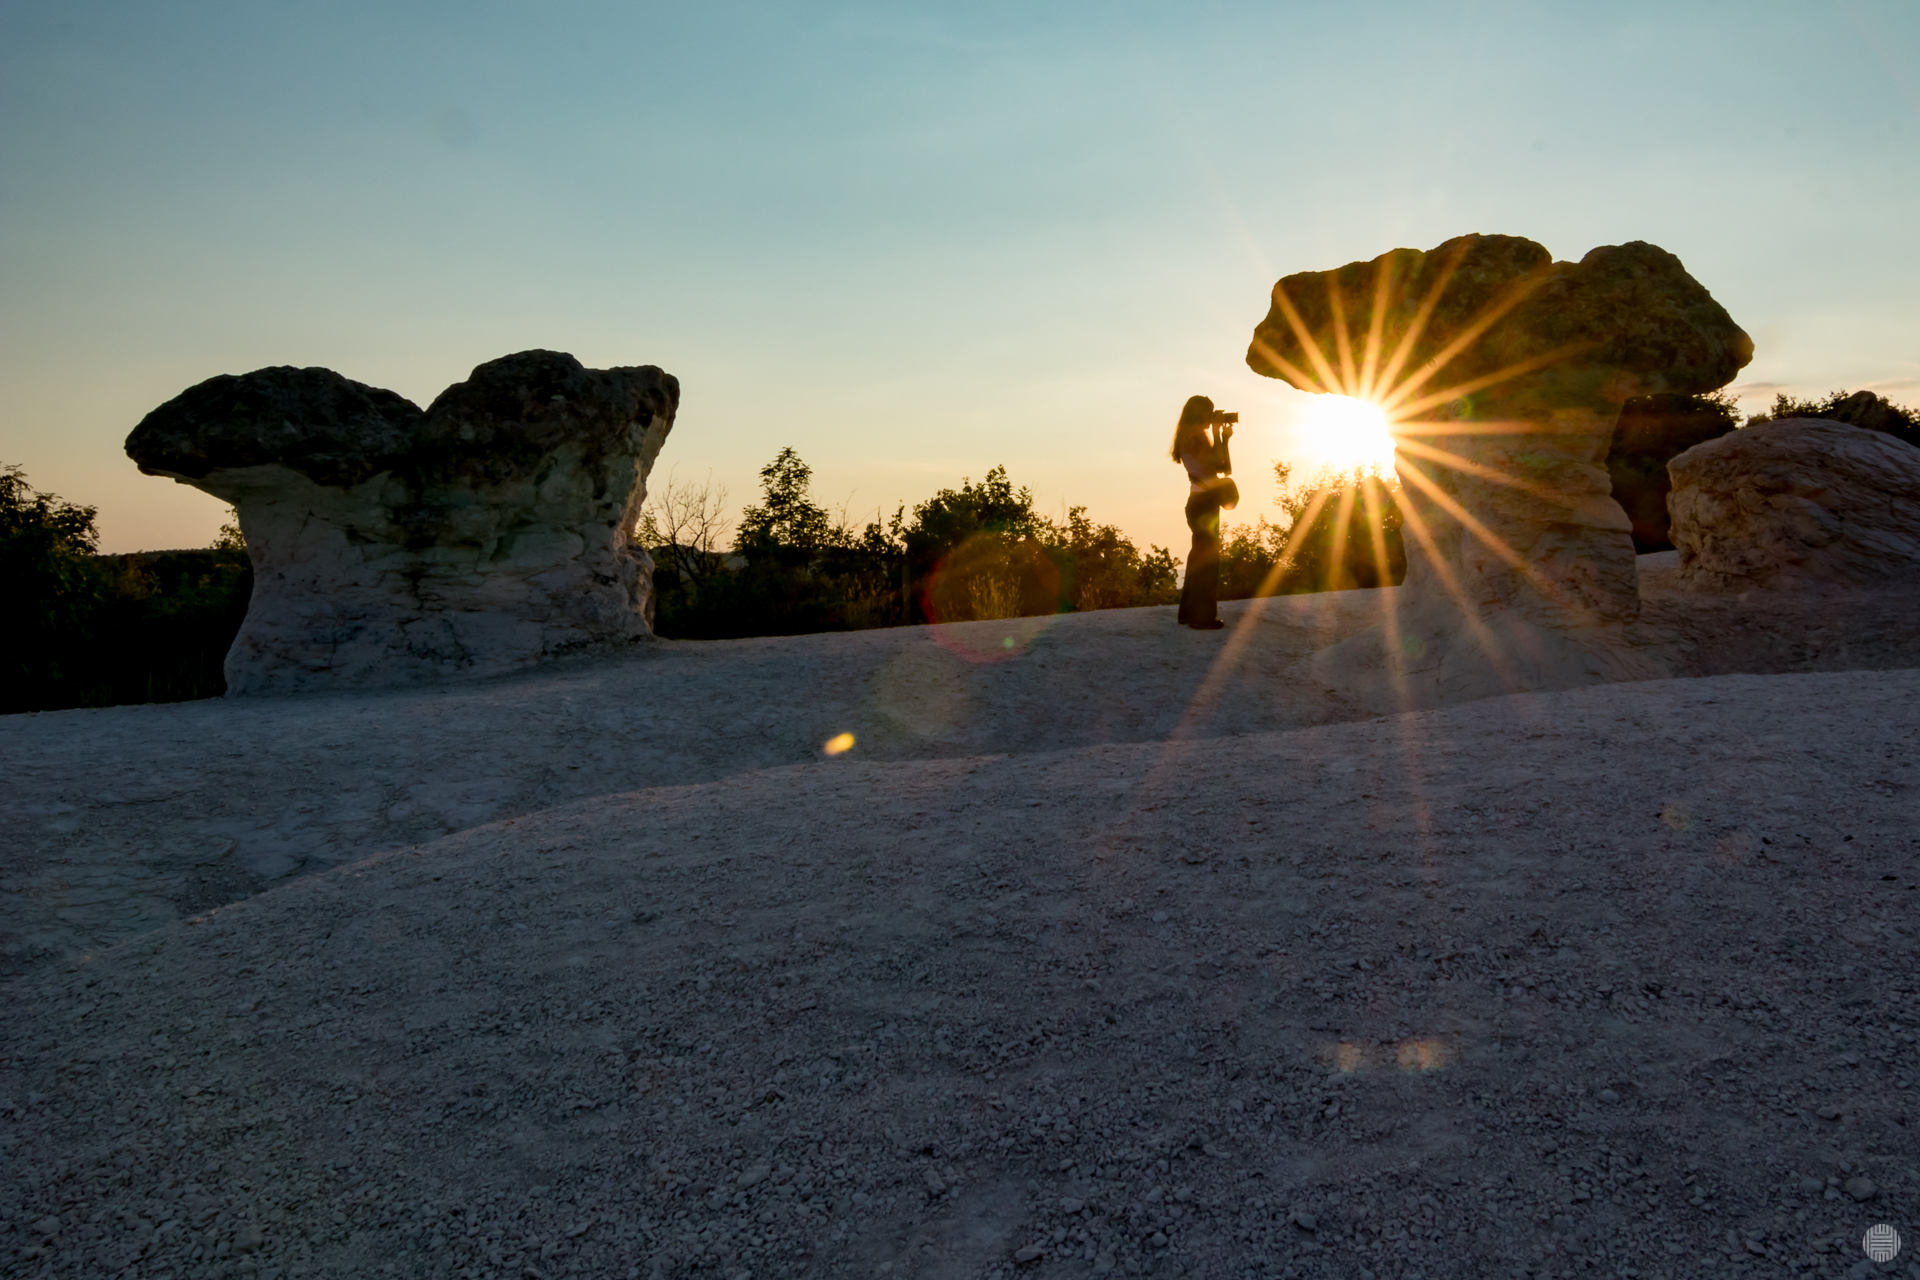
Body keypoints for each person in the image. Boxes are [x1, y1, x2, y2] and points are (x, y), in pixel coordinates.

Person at [1171, 394, 1238, 630]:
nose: (1212, 417)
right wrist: (1220, 435)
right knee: (1208, 560)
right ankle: (1202, 618)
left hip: (1197, 501)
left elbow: (1220, 467)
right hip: (1205, 504)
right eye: (1210, 412)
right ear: (1200, 413)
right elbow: (1219, 465)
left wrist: (1221, 436)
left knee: (1198, 557)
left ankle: (1187, 614)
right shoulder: (1196, 436)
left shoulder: (1187, 434)